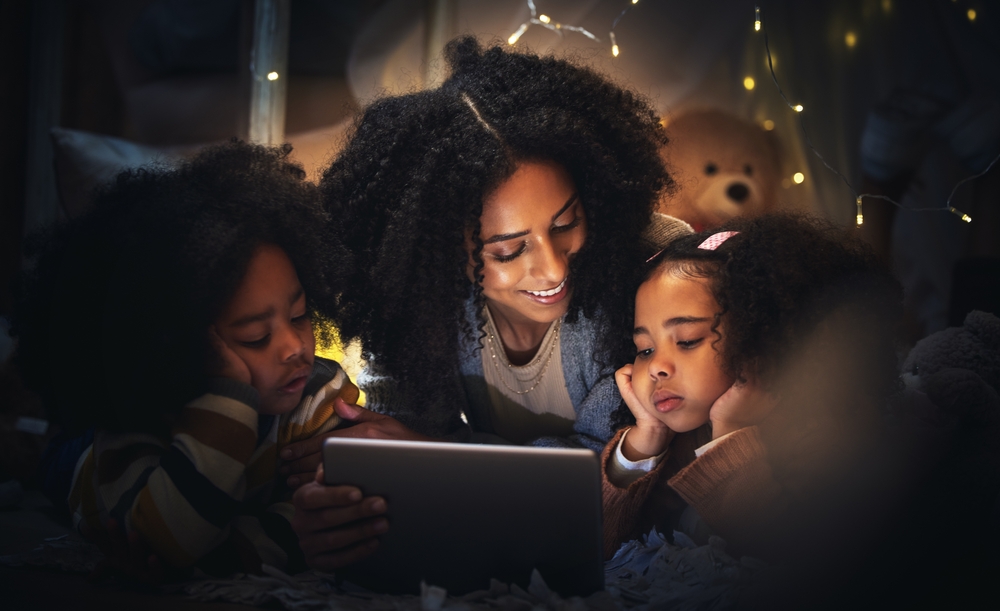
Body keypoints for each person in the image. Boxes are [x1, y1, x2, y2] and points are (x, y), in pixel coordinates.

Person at [284, 35, 673, 570]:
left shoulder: (645, 277)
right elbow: (404, 434)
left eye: (566, 223)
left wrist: (438, 455)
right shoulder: (423, 304)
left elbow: (607, 464)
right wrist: (352, 502)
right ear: (443, 251)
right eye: (509, 250)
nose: (554, 268)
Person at [12, 141, 358, 577]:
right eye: (255, 337)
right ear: (176, 345)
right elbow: (169, 541)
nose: (294, 346)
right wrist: (228, 396)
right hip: (88, 468)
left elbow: (309, 525)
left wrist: (231, 552)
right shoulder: (133, 422)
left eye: (299, 314)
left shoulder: (319, 394)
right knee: (47, 457)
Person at [600, 213, 907, 588]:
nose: (656, 367)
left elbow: (794, 559)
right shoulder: (675, 435)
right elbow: (605, 547)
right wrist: (644, 438)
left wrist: (728, 434)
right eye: (644, 349)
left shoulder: (824, 432)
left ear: (764, 335)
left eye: (687, 341)